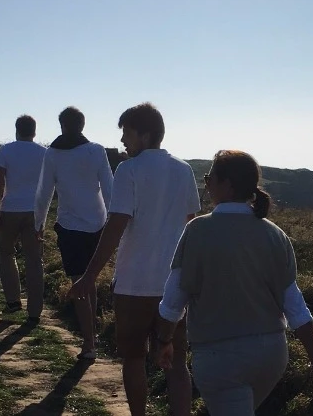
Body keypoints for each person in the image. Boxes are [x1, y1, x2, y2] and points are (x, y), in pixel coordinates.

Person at [154, 150, 313, 415]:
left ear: (227, 184)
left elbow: (173, 301)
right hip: (271, 355)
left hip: (220, 357)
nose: (206, 184)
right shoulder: (275, 235)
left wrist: (164, 340)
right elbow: (295, 305)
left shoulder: (197, 231)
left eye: (210, 177)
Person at [69, 102, 200, 416]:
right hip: (174, 285)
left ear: (145, 135)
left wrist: (90, 275)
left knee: (133, 358)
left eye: (127, 133)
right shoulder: (184, 170)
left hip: (133, 283)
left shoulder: (128, 170)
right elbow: (192, 224)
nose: (123, 140)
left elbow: (116, 225)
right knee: (177, 363)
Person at [34, 106, 114, 359]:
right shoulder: (96, 151)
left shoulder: (53, 154)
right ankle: (93, 335)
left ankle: (89, 342)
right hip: (99, 223)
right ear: (82, 125)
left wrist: (38, 223)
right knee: (89, 280)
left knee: (79, 281)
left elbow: (44, 192)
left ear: (62, 125)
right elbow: (109, 188)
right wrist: (114, 220)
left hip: (70, 226)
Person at [0, 114, 47, 320]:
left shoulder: (6, 150)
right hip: (35, 212)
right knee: (34, 260)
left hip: (11, 209)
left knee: (7, 253)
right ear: (34, 131)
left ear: (16, 130)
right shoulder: (44, 153)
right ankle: (35, 311)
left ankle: (13, 301)